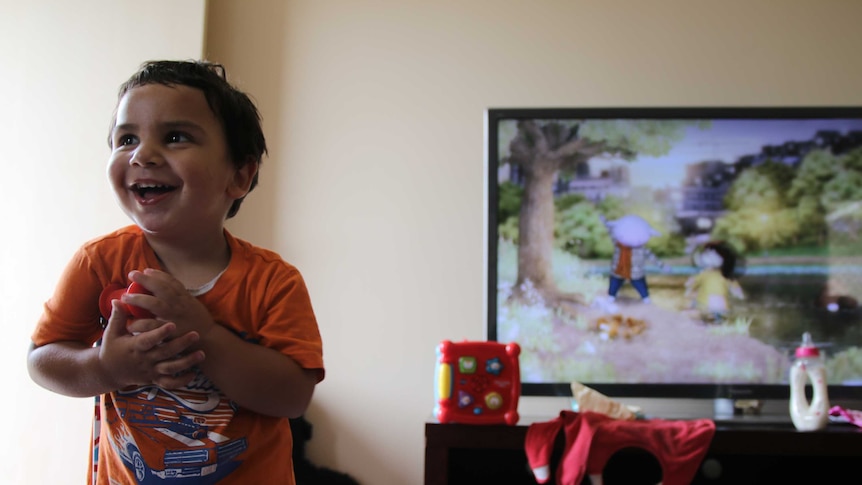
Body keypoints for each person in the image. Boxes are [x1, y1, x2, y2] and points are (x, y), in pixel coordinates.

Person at [27, 60, 325, 484]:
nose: (142, 154)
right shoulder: (98, 261)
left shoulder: (274, 281)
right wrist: (106, 367)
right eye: (126, 138)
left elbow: (293, 396)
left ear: (239, 175)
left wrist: (203, 331)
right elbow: (42, 359)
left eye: (175, 137)